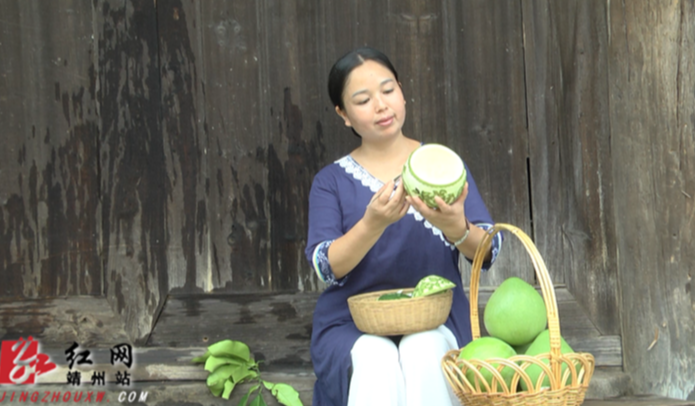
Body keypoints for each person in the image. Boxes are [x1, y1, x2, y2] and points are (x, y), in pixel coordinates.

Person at [304, 46, 503, 406]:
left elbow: (487, 252)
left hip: (437, 318)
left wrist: (456, 227)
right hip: (352, 326)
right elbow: (326, 265)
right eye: (363, 99)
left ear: (402, 92)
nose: (381, 105)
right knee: (374, 358)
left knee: (424, 349)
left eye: (388, 90)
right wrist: (372, 224)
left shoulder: (442, 164)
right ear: (343, 114)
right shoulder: (329, 181)